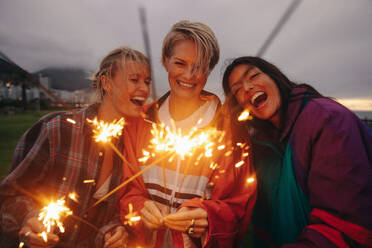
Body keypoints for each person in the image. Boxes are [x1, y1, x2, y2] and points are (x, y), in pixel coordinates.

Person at [119, 21, 257, 247]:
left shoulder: (228, 130)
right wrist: (139, 207)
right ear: (165, 61)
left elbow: (240, 204)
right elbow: (126, 190)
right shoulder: (139, 121)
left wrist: (209, 217)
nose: (189, 75)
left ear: (210, 69)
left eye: (200, 66)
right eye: (180, 63)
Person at [0, 46, 152, 248]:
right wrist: (29, 218)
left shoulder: (131, 146)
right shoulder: (58, 130)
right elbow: (7, 198)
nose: (144, 89)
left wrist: (114, 231)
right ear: (107, 83)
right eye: (134, 80)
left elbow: (112, 213)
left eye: (147, 82)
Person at [222, 56, 372, 247]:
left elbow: (345, 227)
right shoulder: (260, 144)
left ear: (275, 77)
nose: (247, 88)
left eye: (253, 75)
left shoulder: (328, 121)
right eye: (237, 90)